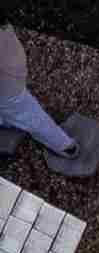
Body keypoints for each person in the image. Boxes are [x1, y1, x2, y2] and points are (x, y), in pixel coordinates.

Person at [0, 26, 77, 159]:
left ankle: (66, 146)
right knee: (18, 107)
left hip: (7, 78)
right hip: (11, 59)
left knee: (22, 111)